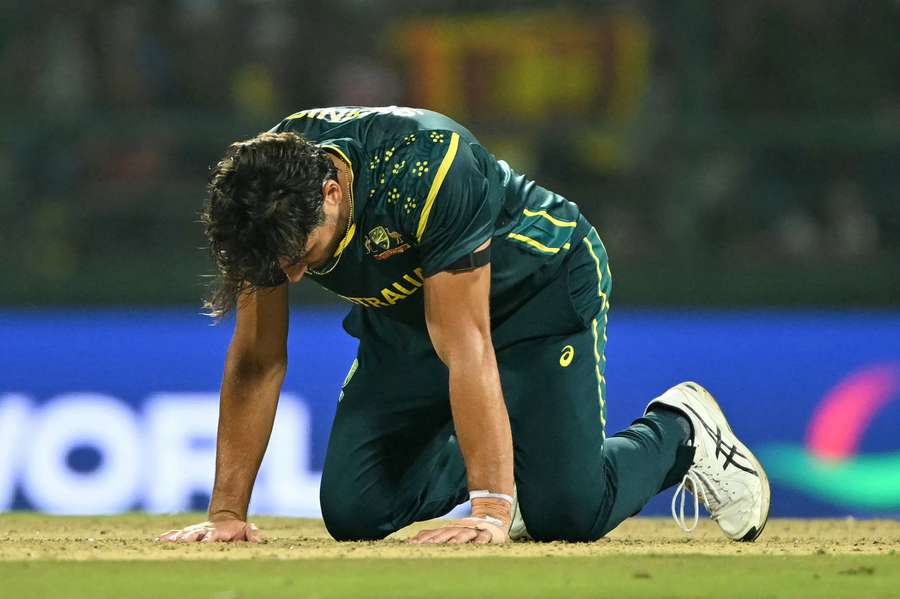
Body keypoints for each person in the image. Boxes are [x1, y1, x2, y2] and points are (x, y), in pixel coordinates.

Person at [159, 106, 770, 545]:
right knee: (355, 510)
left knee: (568, 513)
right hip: (406, 316)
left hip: (535, 292)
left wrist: (491, 506)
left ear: (331, 191)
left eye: (302, 255)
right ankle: (512, 454)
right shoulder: (262, 202)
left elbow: (467, 344)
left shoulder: (428, 166)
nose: (291, 276)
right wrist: (225, 513)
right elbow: (258, 359)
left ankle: (682, 432)